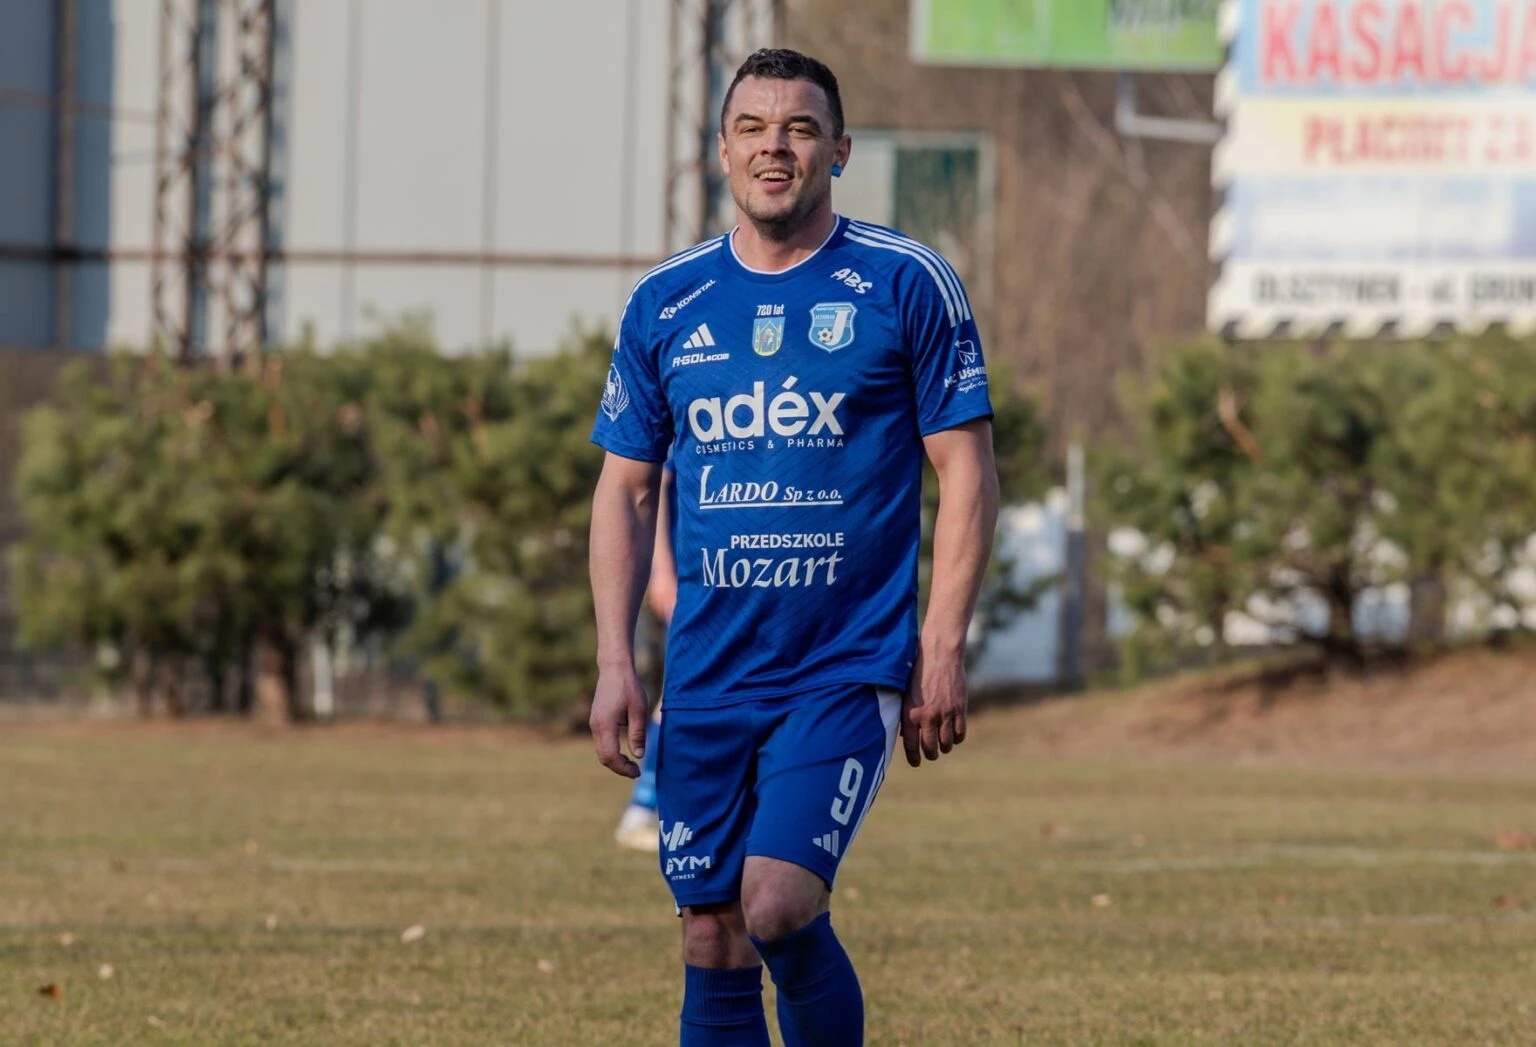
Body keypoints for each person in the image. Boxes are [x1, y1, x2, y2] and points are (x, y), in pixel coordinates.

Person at [587, 47, 999, 1046]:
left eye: (800, 129)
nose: (775, 148)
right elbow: (626, 490)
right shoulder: (667, 302)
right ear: (722, 150)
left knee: (775, 902)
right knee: (712, 932)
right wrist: (615, 662)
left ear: (839, 151)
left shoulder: (905, 282)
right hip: (708, 671)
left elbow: (968, 472)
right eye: (754, 129)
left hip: (841, 664)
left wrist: (942, 643)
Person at [613, 463, 676, 852]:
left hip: (725, 582)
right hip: (693, 579)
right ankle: (640, 810)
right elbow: (655, 486)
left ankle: (646, 809)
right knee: (678, 695)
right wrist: (662, 570)